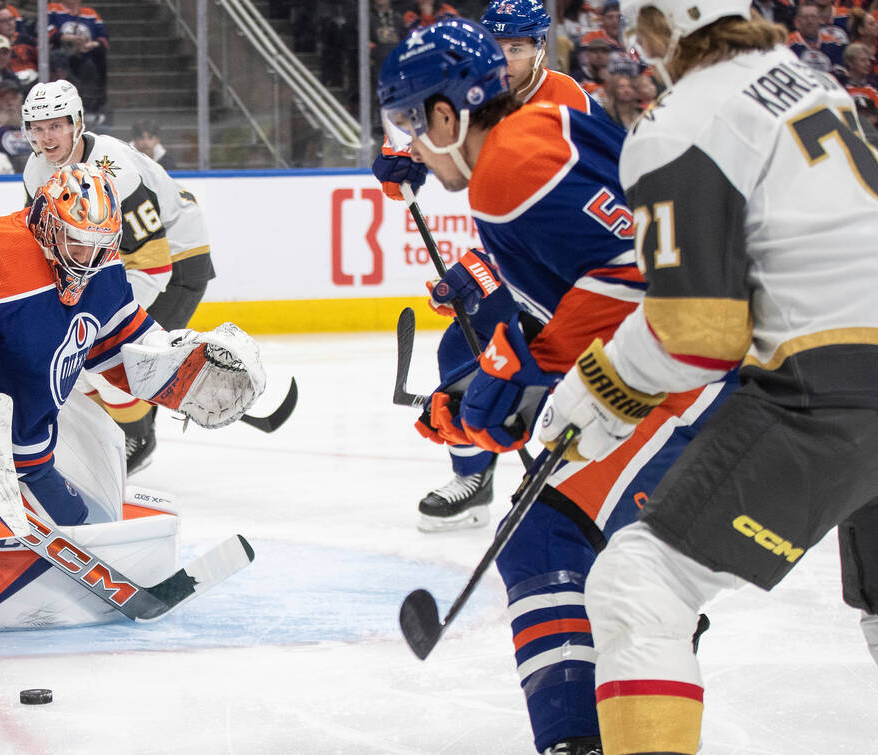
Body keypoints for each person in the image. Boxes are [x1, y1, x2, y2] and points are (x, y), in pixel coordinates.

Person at [536, 3, 878, 752]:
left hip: (833, 385)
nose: (638, 51)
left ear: (663, 25)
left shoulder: (681, 120)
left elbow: (699, 333)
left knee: (639, 588)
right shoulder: (811, 82)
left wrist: (595, 390)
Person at [377, 18, 734, 755]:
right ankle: (591, 729)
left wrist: (524, 381)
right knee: (552, 535)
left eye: (410, 123)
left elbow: (646, 274)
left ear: (449, 115)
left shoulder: (510, 167)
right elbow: (602, 269)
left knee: (557, 541)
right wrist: (507, 367)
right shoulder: (536, 129)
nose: (408, 141)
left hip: (699, 366)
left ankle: (587, 733)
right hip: (694, 355)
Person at [0, 162, 260, 532]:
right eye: (77, 243)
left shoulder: (100, 264)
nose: (87, 258)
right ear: (47, 223)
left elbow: (117, 336)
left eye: (100, 246)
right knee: (9, 540)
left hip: (27, 449)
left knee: (82, 527)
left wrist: (174, 368)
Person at [374, 0, 605, 532]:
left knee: (525, 357)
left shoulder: (562, 101)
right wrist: (404, 154)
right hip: (533, 248)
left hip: (568, 265)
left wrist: (482, 270)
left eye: (517, 49)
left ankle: (567, 478)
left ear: (541, 48)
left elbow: (559, 224)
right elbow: (431, 131)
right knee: (464, 347)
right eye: (497, 47)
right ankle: (475, 477)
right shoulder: (475, 90)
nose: (505, 59)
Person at [22, 80, 216, 474]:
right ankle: (112, 435)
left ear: (76, 123)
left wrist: (102, 321)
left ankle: (137, 439)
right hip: (116, 261)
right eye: (38, 128)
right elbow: (42, 241)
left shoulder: (115, 170)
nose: (47, 137)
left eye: (55, 125)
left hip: (178, 260)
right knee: (79, 362)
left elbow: (153, 263)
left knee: (118, 355)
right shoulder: (36, 170)